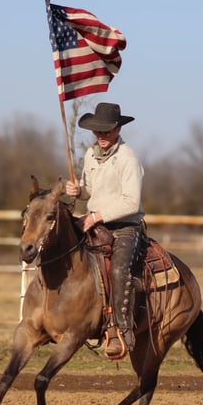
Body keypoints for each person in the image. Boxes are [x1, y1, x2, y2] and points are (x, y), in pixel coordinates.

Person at [65, 102, 144, 359]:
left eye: (106, 131)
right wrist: (78, 191)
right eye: (97, 131)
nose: (101, 136)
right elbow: (89, 190)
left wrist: (97, 216)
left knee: (120, 269)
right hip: (94, 220)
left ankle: (121, 330)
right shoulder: (90, 154)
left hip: (124, 226)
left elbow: (131, 201)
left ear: (118, 129)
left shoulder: (128, 159)